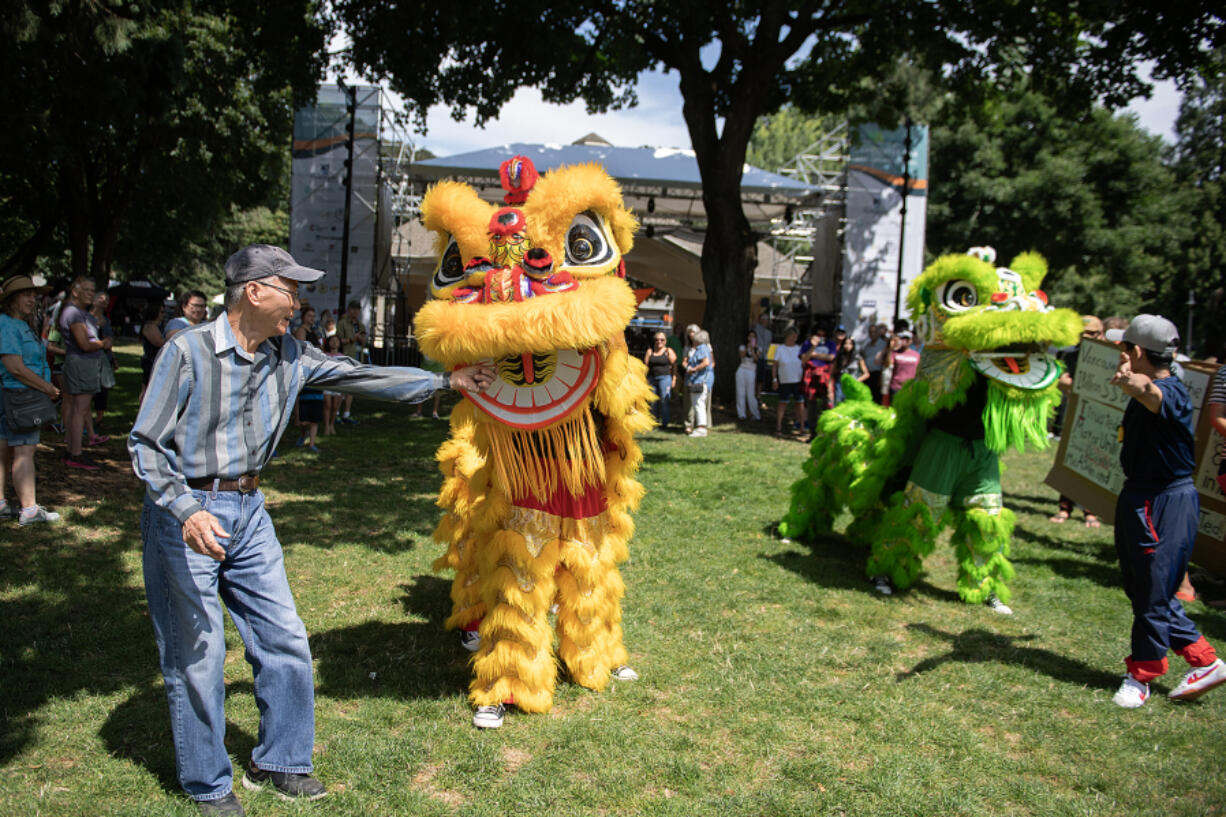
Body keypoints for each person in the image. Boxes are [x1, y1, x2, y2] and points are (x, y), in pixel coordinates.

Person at [128, 244, 493, 815]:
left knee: (286, 638)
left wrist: (446, 382)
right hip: (187, 512)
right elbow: (145, 444)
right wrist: (184, 510)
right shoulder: (187, 351)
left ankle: (280, 761)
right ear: (254, 291)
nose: (299, 301)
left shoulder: (291, 353)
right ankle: (208, 785)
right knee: (197, 655)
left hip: (249, 511)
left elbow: (359, 375)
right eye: (289, 288)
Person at [1107, 314, 1225, 709]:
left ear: (1137, 351)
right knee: (1144, 587)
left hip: (1163, 501)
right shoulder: (1153, 385)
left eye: (1125, 348)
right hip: (1141, 496)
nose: (1121, 355)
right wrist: (1130, 377)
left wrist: (1128, 379)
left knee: (1153, 590)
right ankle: (1205, 661)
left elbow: (1147, 390)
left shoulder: (1169, 391)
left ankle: (1142, 675)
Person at [0, 276, 62, 525]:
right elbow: (15, 367)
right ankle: (29, 510)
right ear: (12, 300)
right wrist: (47, 387)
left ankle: (2, 505)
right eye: (26, 295)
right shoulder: (7, 325)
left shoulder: (20, 324)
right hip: (19, 396)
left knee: (4, 451)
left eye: (33, 295)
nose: (32, 300)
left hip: (13, 395)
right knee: (24, 451)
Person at [1050, 315, 1104, 527]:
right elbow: (1060, 380)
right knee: (1069, 462)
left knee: (1095, 464)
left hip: (1099, 419)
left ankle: (1090, 511)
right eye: (1082, 335)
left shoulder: (1112, 357)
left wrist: (1078, 385)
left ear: (1102, 333)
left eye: (1092, 333)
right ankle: (1064, 508)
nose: (1087, 338)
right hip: (1074, 415)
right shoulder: (1068, 354)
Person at [59, 277, 111, 470]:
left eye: (92, 290)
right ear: (75, 291)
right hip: (81, 363)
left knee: (77, 409)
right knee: (79, 410)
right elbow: (85, 344)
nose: (91, 293)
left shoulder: (79, 313)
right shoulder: (73, 313)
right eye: (87, 290)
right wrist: (103, 343)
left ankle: (73, 450)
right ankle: (75, 453)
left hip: (82, 364)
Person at [292, 306, 323, 452]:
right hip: (305, 369)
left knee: (316, 405)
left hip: (315, 369)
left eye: (313, 315)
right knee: (304, 410)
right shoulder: (301, 331)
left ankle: (312, 442)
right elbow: (302, 350)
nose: (312, 318)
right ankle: (302, 432)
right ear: (303, 317)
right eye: (309, 316)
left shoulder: (315, 332)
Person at [89, 292, 117, 440]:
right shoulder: (86, 318)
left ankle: (99, 419)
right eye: (101, 298)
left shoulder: (106, 321)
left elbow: (109, 341)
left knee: (103, 389)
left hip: (103, 358)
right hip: (89, 358)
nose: (104, 301)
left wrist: (112, 357)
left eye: (106, 299)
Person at [335, 300, 366, 425]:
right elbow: (337, 340)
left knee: (351, 387)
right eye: (353, 309)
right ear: (349, 309)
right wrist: (352, 339)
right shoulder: (342, 323)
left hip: (357, 358)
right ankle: (336, 413)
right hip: (346, 357)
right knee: (341, 386)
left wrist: (361, 339)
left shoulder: (361, 325)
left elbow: (364, 342)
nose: (355, 311)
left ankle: (346, 413)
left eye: (358, 309)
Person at [772, 327, 805, 437]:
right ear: (787, 336)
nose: (794, 339)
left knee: (800, 403)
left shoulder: (799, 348)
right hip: (785, 380)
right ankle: (778, 426)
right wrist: (774, 379)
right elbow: (775, 365)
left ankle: (801, 428)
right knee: (783, 403)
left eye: (796, 337)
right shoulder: (780, 349)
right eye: (792, 336)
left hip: (798, 380)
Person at [682, 327, 713, 437]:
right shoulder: (703, 348)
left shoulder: (702, 348)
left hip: (700, 381)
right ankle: (701, 427)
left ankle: (701, 428)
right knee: (697, 404)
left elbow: (706, 362)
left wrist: (694, 369)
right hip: (697, 381)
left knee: (699, 404)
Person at [643, 330, 677, 427]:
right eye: (657, 339)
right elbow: (645, 367)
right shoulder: (650, 351)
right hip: (652, 379)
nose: (659, 341)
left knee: (664, 401)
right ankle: (654, 423)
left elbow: (674, 365)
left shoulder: (668, 351)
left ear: (665, 341)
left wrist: (674, 379)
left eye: (662, 340)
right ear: (654, 341)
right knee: (653, 402)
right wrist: (644, 379)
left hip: (665, 379)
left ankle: (664, 423)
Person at [138, 301, 167, 405]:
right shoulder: (150, 326)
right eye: (161, 312)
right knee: (147, 388)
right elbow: (159, 342)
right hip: (151, 361)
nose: (163, 314)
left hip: (156, 360)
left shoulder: (158, 326)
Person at [830, 334, 869, 406]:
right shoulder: (839, 357)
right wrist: (830, 389)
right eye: (846, 344)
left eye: (850, 344)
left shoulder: (857, 357)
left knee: (851, 405)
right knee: (839, 404)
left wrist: (856, 381)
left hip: (852, 384)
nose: (847, 346)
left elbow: (866, 374)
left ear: (853, 345)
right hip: (840, 384)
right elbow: (832, 372)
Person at [885, 330, 920, 404]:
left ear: (911, 341)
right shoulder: (895, 353)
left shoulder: (916, 355)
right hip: (896, 386)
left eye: (907, 339)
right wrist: (890, 349)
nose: (904, 341)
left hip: (910, 388)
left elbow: (919, 371)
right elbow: (888, 364)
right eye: (902, 339)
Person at [735, 329, 762, 421]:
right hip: (741, 370)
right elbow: (742, 356)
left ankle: (755, 414)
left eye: (753, 336)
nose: (751, 338)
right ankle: (741, 414)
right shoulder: (742, 347)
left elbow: (756, 360)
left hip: (751, 371)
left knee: (750, 394)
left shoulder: (758, 348)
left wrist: (753, 349)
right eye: (750, 336)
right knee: (740, 393)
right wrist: (748, 347)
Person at [862, 323, 889, 404]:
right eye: (870, 332)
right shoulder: (867, 346)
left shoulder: (883, 345)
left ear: (878, 333)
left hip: (878, 375)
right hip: (867, 374)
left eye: (874, 332)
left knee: (877, 398)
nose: (872, 334)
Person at [752, 311, 773, 403]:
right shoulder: (756, 329)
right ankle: (752, 395)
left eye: (766, 319)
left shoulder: (769, 333)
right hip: (756, 356)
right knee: (754, 377)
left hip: (764, 357)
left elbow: (768, 344)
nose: (765, 320)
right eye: (763, 318)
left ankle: (758, 396)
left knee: (761, 378)